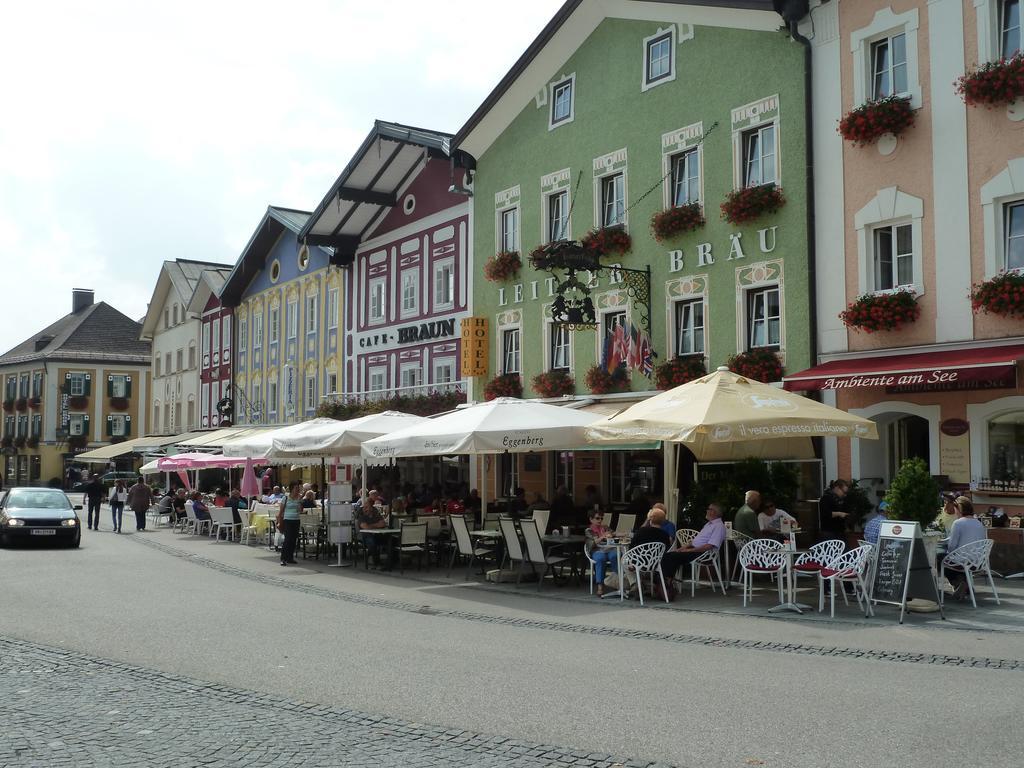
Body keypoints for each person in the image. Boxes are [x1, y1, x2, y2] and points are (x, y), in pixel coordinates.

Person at [661, 502, 728, 590]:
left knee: (672, 557)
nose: (707, 511)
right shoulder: (709, 524)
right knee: (668, 555)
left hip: (703, 553)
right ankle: (664, 581)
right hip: (695, 550)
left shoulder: (719, 526)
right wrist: (682, 548)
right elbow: (695, 541)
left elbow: (709, 546)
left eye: (708, 509)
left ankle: (666, 583)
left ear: (713, 512)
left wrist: (689, 550)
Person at [943, 497, 988, 599]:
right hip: (978, 562)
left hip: (962, 561)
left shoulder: (958, 523)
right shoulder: (979, 523)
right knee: (951, 559)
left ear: (958, 509)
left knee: (940, 558)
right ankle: (965, 586)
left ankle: (959, 583)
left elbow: (951, 547)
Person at [585, 510, 618, 597]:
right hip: (597, 550)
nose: (600, 520)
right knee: (600, 559)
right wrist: (603, 536)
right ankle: (600, 586)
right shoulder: (589, 530)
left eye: (601, 518)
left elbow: (614, 534)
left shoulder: (605, 527)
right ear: (591, 519)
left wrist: (624, 534)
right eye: (597, 518)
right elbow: (593, 543)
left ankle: (617, 582)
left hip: (609, 549)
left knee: (616, 555)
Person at [357, 491, 388, 567]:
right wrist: (377, 525)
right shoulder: (361, 513)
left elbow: (383, 523)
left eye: (367, 507)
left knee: (391, 540)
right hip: (365, 535)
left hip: (377, 534)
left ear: (372, 507)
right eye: (364, 507)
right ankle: (376, 563)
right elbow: (365, 527)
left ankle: (390, 561)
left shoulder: (375, 512)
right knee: (372, 542)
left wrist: (371, 525)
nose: (365, 509)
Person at [277, 481, 303, 566]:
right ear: (292, 489)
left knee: (293, 539)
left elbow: (300, 510)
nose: (297, 490)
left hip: (296, 520)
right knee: (287, 539)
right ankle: (283, 558)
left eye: (298, 488)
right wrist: (279, 521)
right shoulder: (286, 498)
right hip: (287, 520)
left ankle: (290, 557)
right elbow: (281, 511)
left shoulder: (299, 498)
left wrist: (299, 501)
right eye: (296, 488)